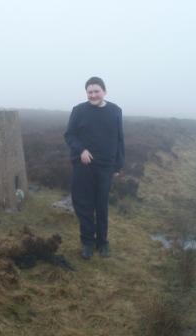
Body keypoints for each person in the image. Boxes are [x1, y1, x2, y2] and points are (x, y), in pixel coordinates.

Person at [64, 76, 125, 260]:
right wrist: (81, 150)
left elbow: (119, 139)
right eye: (89, 92)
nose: (93, 95)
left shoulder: (115, 111)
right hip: (84, 166)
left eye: (96, 91)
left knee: (101, 206)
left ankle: (102, 243)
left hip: (106, 166)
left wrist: (118, 164)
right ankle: (87, 243)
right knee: (84, 205)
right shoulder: (79, 110)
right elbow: (70, 135)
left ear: (104, 92)